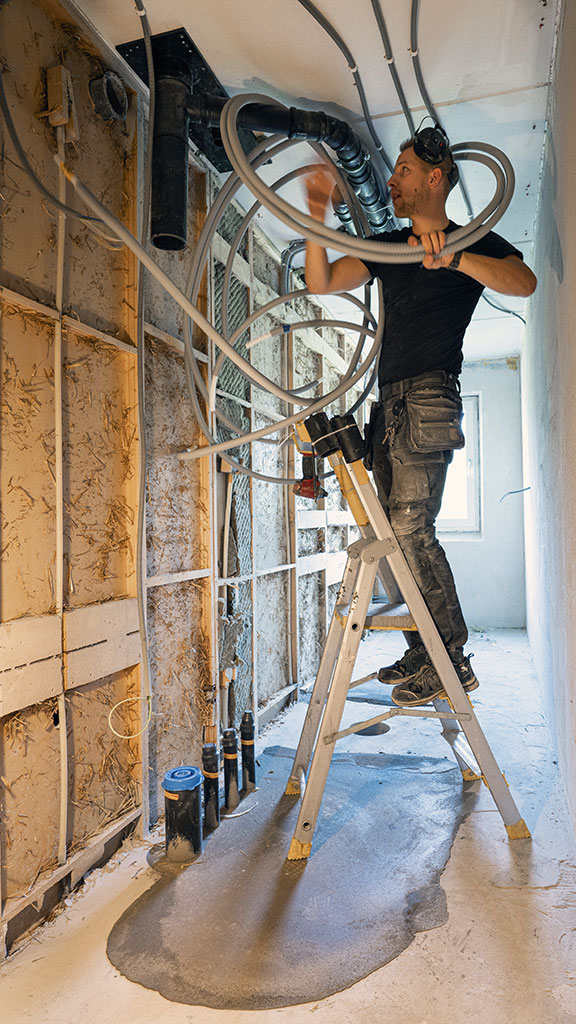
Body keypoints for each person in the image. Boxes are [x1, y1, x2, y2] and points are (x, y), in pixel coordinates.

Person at [304, 131, 537, 708]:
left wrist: (455, 256)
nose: (391, 179)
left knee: (410, 529)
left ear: (435, 177)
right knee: (391, 535)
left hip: (428, 398)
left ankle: (449, 659)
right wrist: (314, 218)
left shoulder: (473, 241)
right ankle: (424, 649)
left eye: (402, 169)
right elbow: (322, 281)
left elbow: (524, 283)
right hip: (391, 408)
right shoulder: (390, 247)